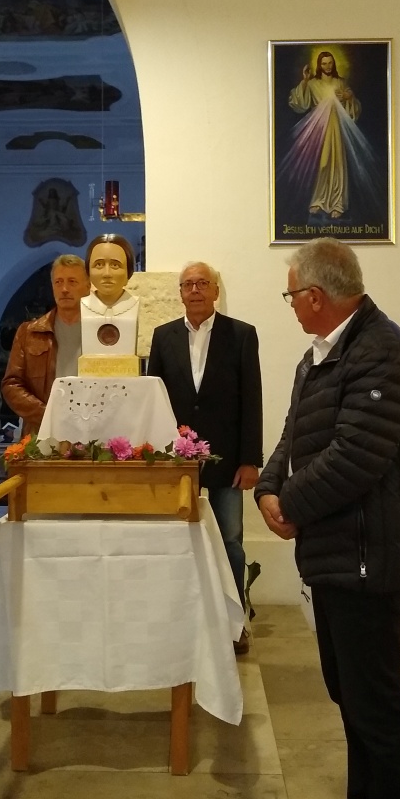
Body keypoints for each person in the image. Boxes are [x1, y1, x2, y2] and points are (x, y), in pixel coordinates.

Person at [255, 237, 400, 799]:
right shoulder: (321, 355)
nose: (290, 305)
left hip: (369, 555)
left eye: (290, 294)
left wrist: (290, 506)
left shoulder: (385, 351)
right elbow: (294, 436)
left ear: (314, 296)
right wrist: (267, 487)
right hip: (335, 555)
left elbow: (358, 455)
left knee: (377, 708)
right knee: (349, 695)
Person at [148, 262, 262, 652]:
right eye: (188, 284)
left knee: (230, 540)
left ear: (215, 291)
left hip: (228, 459)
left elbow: (252, 399)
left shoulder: (241, 335)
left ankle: (235, 623)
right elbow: (155, 399)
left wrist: (250, 459)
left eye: (202, 283)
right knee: (179, 536)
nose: (195, 290)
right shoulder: (163, 336)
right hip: (178, 460)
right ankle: (185, 616)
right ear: (180, 292)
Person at [2, 254, 91, 433]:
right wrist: (49, 415)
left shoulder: (102, 332)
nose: (64, 289)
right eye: (58, 282)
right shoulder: (29, 333)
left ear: (88, 286)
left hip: (91, 428)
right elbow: (11, 385)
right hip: (41, 432)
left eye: (72, 282)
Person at [285, 49, 372, 220]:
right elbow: (300, 104)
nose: (327, 66)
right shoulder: (312, 84)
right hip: (319, 129)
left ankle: (338, 203)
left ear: (334, 64)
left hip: (337, 129)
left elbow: (353, 109)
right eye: (324, 63)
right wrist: (304, 81)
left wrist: (348, 98)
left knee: (337, 165)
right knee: (322, 164)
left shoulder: (340, 83)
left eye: (330, 63)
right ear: (319, 65)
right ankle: (319, 200)